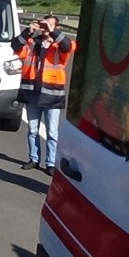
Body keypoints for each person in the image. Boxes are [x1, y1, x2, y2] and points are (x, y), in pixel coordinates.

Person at [13, 15, 76, 176]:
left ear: (55, 27)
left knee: (52, 131)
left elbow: (68, 46)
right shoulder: (32, 43)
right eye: (44, 24)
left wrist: (53, 31)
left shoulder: (59, 46)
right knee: (32, 129)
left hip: (52, 94)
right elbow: (15, 46)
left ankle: (50, 163)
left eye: (49, 25)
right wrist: (28, 31)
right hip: (32, 92)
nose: (45, 27)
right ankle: (33, 159)